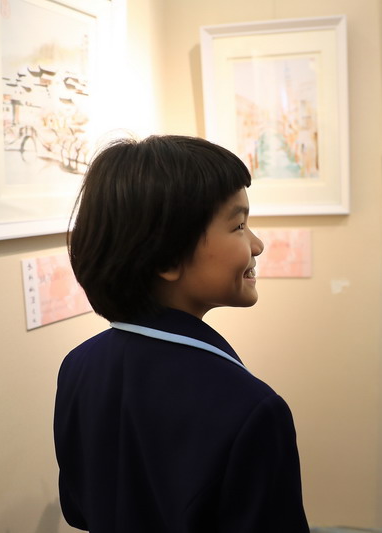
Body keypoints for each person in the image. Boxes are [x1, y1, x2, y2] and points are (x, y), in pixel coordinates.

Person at [54, 135, 309, 533]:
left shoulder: (78, 365)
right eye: (239, 226)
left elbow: (78, 509)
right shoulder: (252, 408)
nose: (257, 245)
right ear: (168, 255)